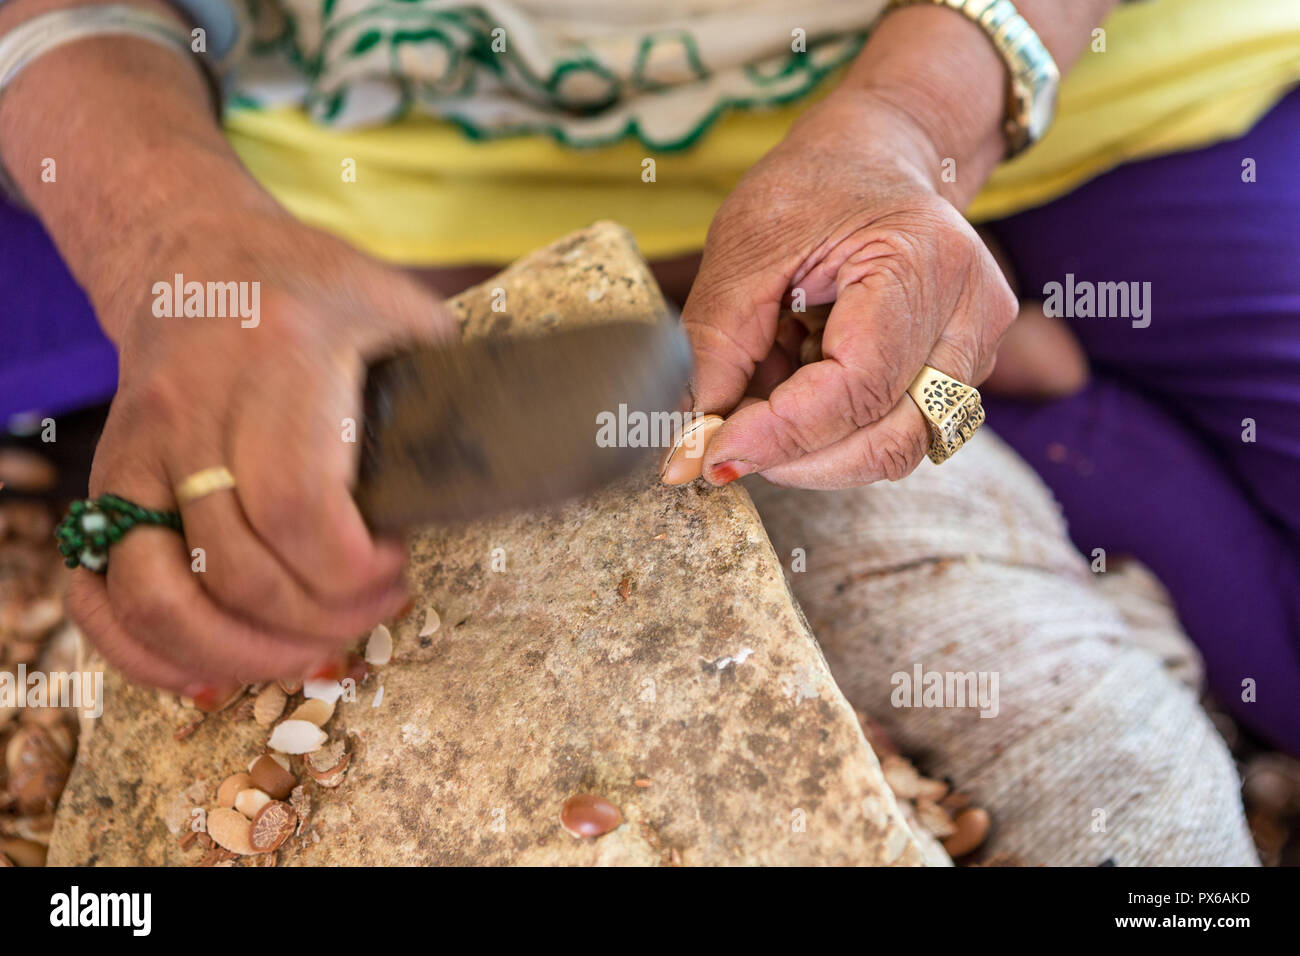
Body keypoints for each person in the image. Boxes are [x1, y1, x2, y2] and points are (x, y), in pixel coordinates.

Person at [0, 0, 1297, 757]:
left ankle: (918, 317)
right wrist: (169, 234)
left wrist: (912, 131)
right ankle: (911, 355)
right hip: (304, 147)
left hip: (1024, 85)